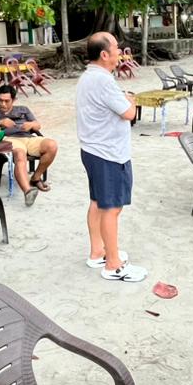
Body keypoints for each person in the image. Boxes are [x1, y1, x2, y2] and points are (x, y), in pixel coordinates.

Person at [75, 32, 145, 282]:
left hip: (93, 150)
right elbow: (129, 113)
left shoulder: (88, 77)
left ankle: (98, 251)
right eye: (116, 47)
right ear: (105, 54)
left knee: (98, 202)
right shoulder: (103, 81)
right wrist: (131, 101)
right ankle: (113, 264)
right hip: (108, 154)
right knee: (111, 208)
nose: (120, 51)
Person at [0, 84, 54, 204]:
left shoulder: (23, 110)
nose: (3, 104)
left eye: (7, 101)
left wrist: (31, 125)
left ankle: (36, 178)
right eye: (0, 100)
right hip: (9, 139)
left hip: (28, 138)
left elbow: (38, 125)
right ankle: (28, 191)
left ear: (14, 100)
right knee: (20, 156)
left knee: (52, 145)